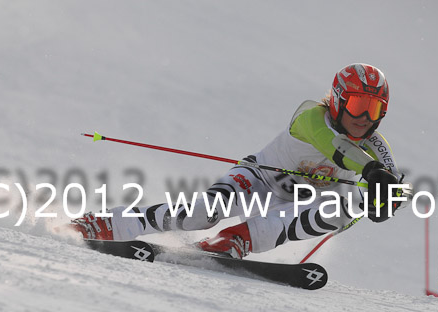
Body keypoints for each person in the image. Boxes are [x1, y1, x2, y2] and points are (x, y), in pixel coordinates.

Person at [69, 63, 408, 259]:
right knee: (201, 214)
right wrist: (370, 171)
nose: (364, 117)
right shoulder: (311, 116)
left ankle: (234, 239)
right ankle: (104, 223)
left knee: (341, 208)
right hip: (259, 180)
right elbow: (336, 148)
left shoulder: (378, 151)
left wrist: (383, 203)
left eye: (375, 108)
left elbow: (375, 198)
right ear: (337, 101)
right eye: (357, 104)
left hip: (298, 206)